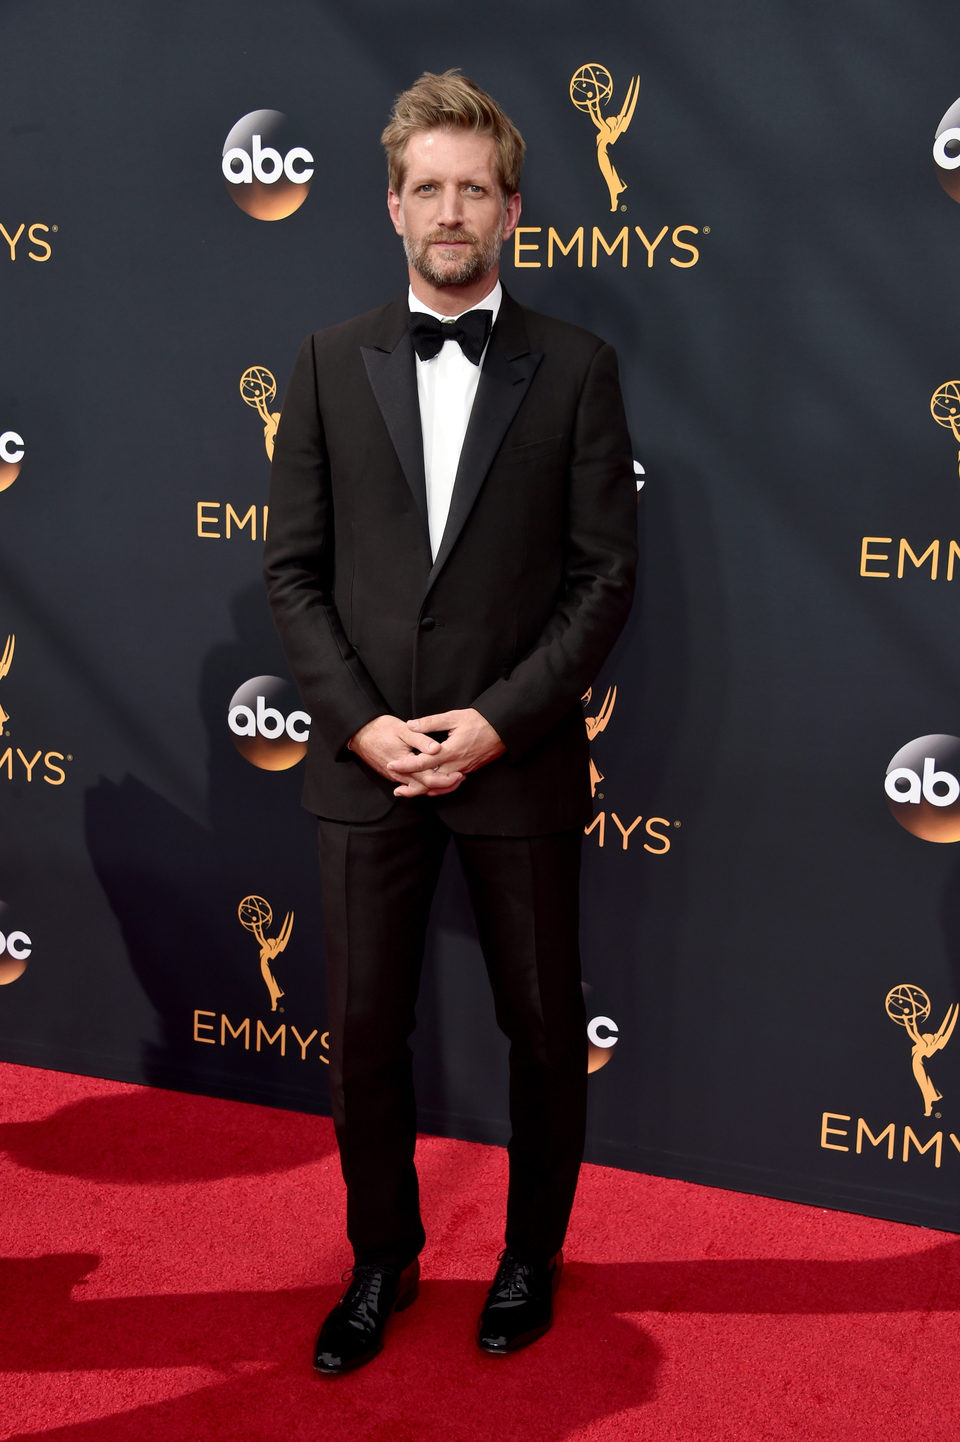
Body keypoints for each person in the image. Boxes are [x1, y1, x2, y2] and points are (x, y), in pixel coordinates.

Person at [263, 69, 637, 1373]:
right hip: (363, 767)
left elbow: (605, 576)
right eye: (428, 186)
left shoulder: (579, 369)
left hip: (517, 760)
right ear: (391, 205)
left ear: (513, 207)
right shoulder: (320, 364)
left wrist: (493, 721)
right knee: (364, 1031)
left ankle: (530, 1253)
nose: (451, 208)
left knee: (543, 1025)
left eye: (474, 186)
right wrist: (366, 726)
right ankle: (384, 1255)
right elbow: (292, 571)